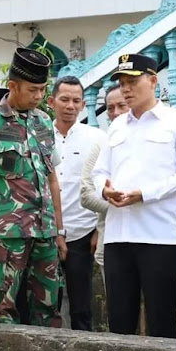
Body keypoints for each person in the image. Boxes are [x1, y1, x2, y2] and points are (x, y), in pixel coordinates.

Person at [92, 53, 176, 338]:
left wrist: (145, 194)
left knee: (161, 320)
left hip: (159, 236)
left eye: (132, 82)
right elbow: (99, 171)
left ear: (153, 81)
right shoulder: (117, 125)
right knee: (119, 321)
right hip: (118, 235)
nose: (125, 89)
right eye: (121, 83)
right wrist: (104, 190)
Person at [0, 47, 65, 327]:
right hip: (6, 235)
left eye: (42, 89)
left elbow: (52, 179)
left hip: (44, 232)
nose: (39, 96)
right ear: (12, 86)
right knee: (2, 310)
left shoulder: (43, 121)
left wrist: (59, 231)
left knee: (49, 309)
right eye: (33, 90)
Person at [49, 75, 106, 331]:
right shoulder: (39, 135)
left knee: (81, 306)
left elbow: (103, 186)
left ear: (84, 105)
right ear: (51, 102)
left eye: (76, 101)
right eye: (64, 99)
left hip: (82, 232)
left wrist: (98, 229)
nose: (70, 106)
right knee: (46, 302)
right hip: (46, 233)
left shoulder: (97, 138)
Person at [80, 84, 130, 281]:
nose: (116, 113)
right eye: (110, 108)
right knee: (118, 301)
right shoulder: (101, 144)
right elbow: (86, 195)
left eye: (122, 106)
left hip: (155, 242)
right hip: (111, 241)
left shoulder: (157, 139)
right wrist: (124, 205)